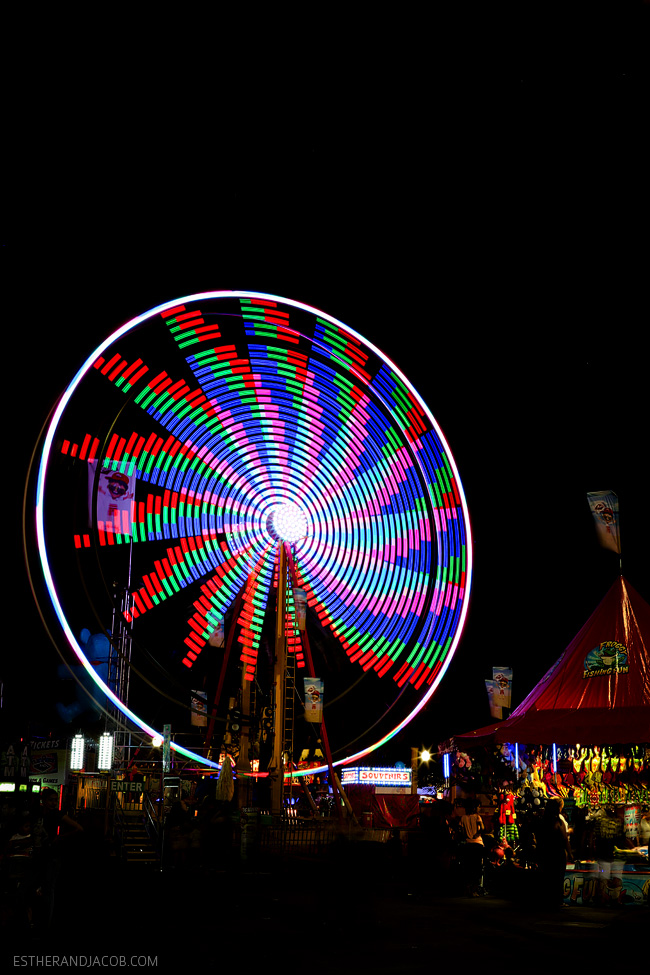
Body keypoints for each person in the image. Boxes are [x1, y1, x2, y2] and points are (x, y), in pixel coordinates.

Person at [535, 798, 572, 909]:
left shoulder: (543, 820)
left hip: (545, 852)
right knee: (558, 878)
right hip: (557, 852)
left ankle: (547, 900)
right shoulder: (558, 821)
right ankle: (558, 901)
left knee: (548, 877)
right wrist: (570, 853)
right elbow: (565, 839)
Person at [459, 800, 485, 897]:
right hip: (477, 844)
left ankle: (467, 889)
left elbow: (461, 831)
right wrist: (477, 834)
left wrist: (467, 836)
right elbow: (482, 828)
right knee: (477, 867)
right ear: (474, 808)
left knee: (468, 867)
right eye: (478, 807)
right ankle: (474, 890)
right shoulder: (478, 817)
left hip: (467, 844)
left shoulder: (463, 818)